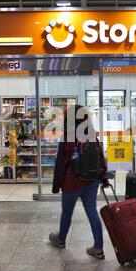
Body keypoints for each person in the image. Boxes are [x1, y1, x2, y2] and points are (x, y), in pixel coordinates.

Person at [49, 105, 109, 259]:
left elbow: (61, 162)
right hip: (91, 181)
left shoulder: (68, 135)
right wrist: (103, 178)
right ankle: (98, 247)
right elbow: (100, 157)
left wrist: (56, 185)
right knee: (92, 212)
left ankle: (61, 239)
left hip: (72, 182)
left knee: (67, 213)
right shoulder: (90, 133)